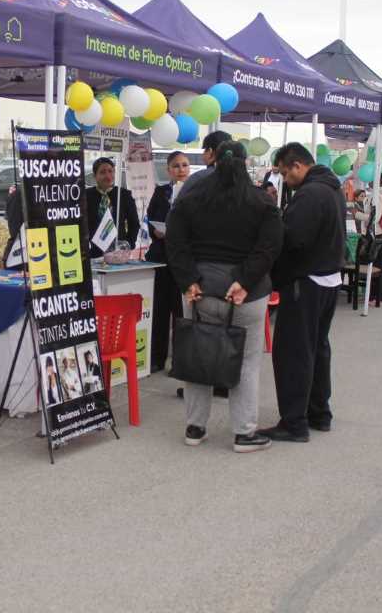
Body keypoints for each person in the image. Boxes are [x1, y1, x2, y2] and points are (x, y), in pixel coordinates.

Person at [165, 140, 283, 453]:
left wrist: (188, 279)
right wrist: (244, 281)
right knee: (246, 363)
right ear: (245, 163)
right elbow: (270, 246)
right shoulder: (262, 201)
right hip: (246, 295)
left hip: (199, 291)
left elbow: (175, 240)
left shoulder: (192, 196)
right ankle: (244, 433)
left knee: (197, 356)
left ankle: (195, 428)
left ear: (213, 159)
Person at [260, 142, 345, 443]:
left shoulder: (310, 194)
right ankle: (319, 412)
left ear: (297, 165)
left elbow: (293, 239)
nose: (285, 179)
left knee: (294, 352)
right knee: (318, 349)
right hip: (329, 278)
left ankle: (294, 422)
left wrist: (275, 272)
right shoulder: (333, 188)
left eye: (285, 173)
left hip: (305, 281)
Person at [145, 151, 192, 372]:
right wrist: (156, 230)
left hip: (183, 261)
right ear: (168, 170)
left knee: (181, 314)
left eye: (184, 165)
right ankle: (157, 358)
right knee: (160, 311)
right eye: (176, 166)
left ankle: (180, 362)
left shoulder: (195, 191)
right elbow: (149, 218)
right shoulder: (161, 191)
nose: (181, 169)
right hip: (161, 258)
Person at [83, 157, 139, 258]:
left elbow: (134, 223)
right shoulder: (86, 196)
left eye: (110, 171)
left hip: (118, 251)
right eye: (102, 172)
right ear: (95, 175)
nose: (108, 175)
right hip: (94, 251)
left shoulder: (124, 195)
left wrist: (128, 244)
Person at [174, 129, 232, 200]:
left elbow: (178, 208)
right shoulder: (241, 178)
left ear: (210, 151)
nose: (203, 154)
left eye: (204, 150)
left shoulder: (198, 178)